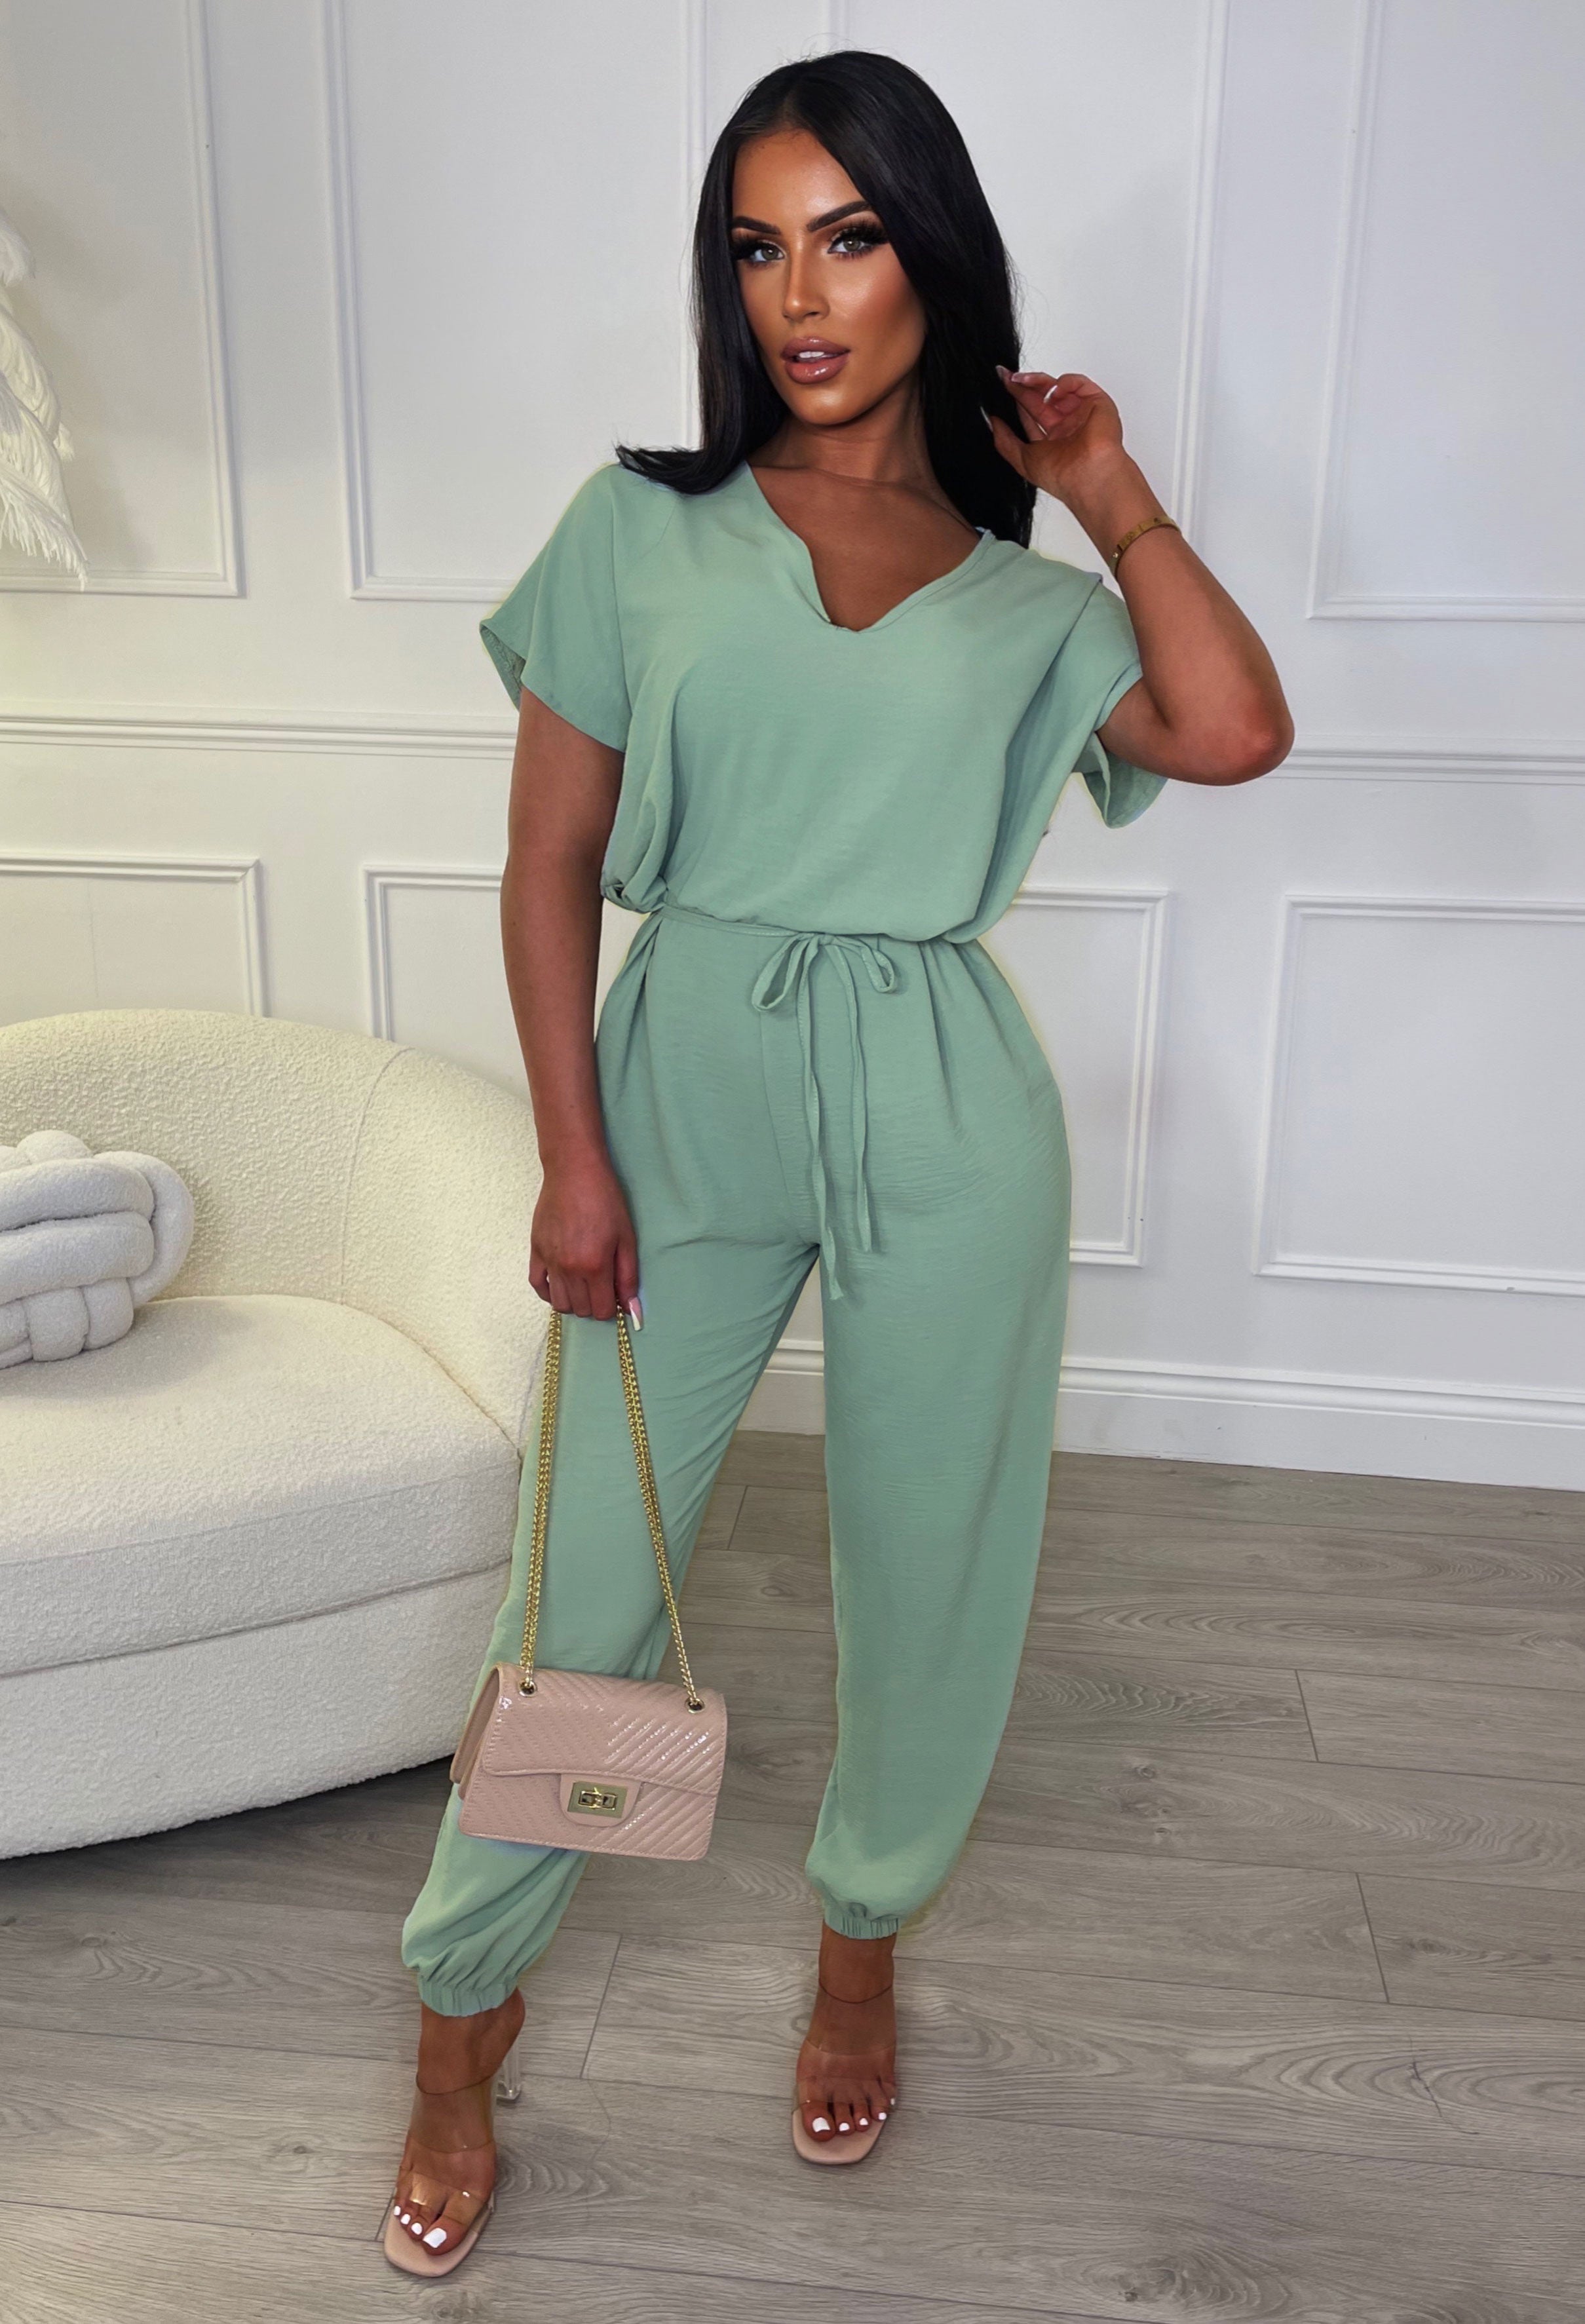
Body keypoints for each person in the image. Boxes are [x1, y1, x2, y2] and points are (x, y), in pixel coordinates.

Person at [382, 47, 1291, 2275]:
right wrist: (571, 1156)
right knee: (585, 1583)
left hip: (944, 1105)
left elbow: (1232, 727)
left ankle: (862, 1943)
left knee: (927, 1564)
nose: (799, 294)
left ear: (930, 257)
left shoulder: (1027, 600)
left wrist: (1105, 488)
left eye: (849, 238)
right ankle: (458, 2020)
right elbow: (547, 859)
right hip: (682, 1077)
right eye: (757, 247)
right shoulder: (638, 532)